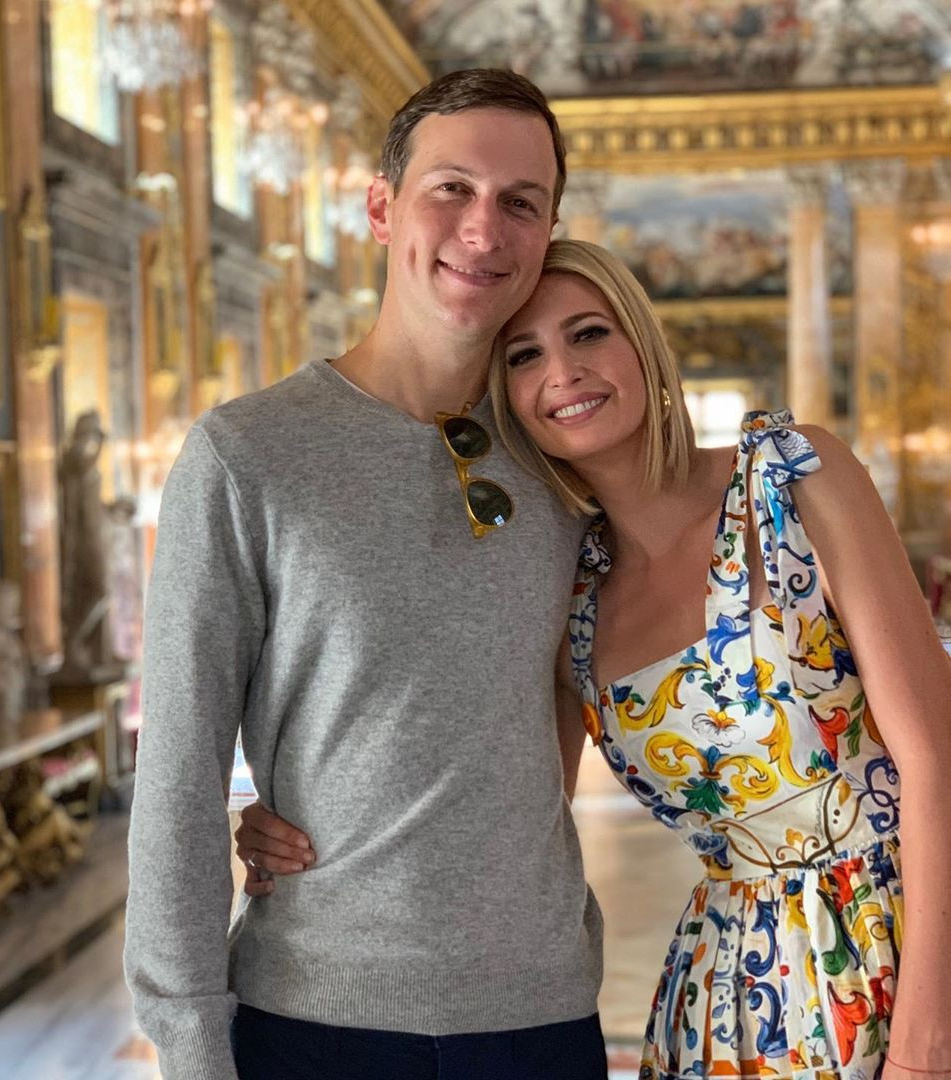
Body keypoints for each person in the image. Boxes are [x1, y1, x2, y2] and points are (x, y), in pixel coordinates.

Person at [240, 239, 951, 1078]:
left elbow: (936, 758)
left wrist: (925, 1043)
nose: (563, 372)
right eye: (523, 355)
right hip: (732, 1001)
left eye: (588, 333)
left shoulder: (794, 479)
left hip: (908, 947)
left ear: (642, 344)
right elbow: (503, 807)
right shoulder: (573, 592)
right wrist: (305, 826)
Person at [125, 72, 609, 1080]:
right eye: (452, 189)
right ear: (382, 208)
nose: (484, 229)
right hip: (314, 1018)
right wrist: (191, 1049)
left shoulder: (568, 461)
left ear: (548, 232)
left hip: (542, 1016)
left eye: (521, 202)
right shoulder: (246, 456)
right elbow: (177, 779)